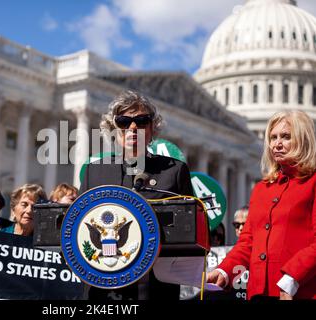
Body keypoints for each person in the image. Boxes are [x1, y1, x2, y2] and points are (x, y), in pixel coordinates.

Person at [80, 90, 194, 300]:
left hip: (155, 288)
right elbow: (78, 225)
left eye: (141, 121)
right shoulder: (94, 171)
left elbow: (191, 227)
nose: (132, 128)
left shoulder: (174, 171)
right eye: (123, 121)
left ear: (152, 129)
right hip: (101, 288)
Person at [206, 110, 316, 300]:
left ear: (303, 139)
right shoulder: (262, 189)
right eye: (273, 138)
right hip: (258, 293)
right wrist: (224, 271)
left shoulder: (312, 183)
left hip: (298, 291)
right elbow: (247, 242)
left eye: (286, 137)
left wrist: (291, 278)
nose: (277, 144)